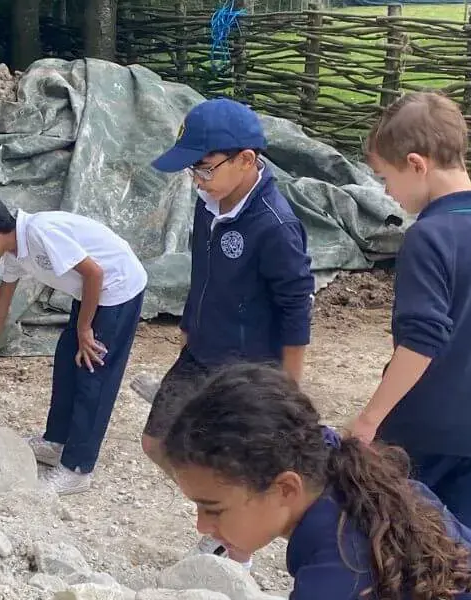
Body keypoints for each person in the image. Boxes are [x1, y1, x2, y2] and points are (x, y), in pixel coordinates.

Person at [164, 364, 471, 600]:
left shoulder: (335, 575)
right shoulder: (396, 494)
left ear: (286, 488)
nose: (202, 525)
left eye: (212, 508)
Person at [344, 91, 471, 538]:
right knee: (464, 551)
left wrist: (370, 419)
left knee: (400, 547)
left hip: (422, 435)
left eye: (385, 178)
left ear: (416, 164)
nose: (387, 192)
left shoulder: (428, 238)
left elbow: (420, 341)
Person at [146, 98, 317, 564]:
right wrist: (189, 321)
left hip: (243, 366)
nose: (195, 180)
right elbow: (204, 271)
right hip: (200, 348)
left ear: (246, 159)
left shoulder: (276, 225)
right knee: (158, 441)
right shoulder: (209, 204)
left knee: (238, 462)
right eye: (191, 171)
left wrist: (290, 384)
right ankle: (223, 514)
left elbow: (296, 306)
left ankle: (234, 536)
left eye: (202, 169)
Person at [0, 193, 149, 495]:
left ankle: (78, 468)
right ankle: (56, 442)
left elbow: (95, 272)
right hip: (90, 292)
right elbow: (0, 306)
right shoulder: (13, 251)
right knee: (68, 360)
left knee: (93, 374)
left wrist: (85, 328)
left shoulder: (40, 233)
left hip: (117, 287)